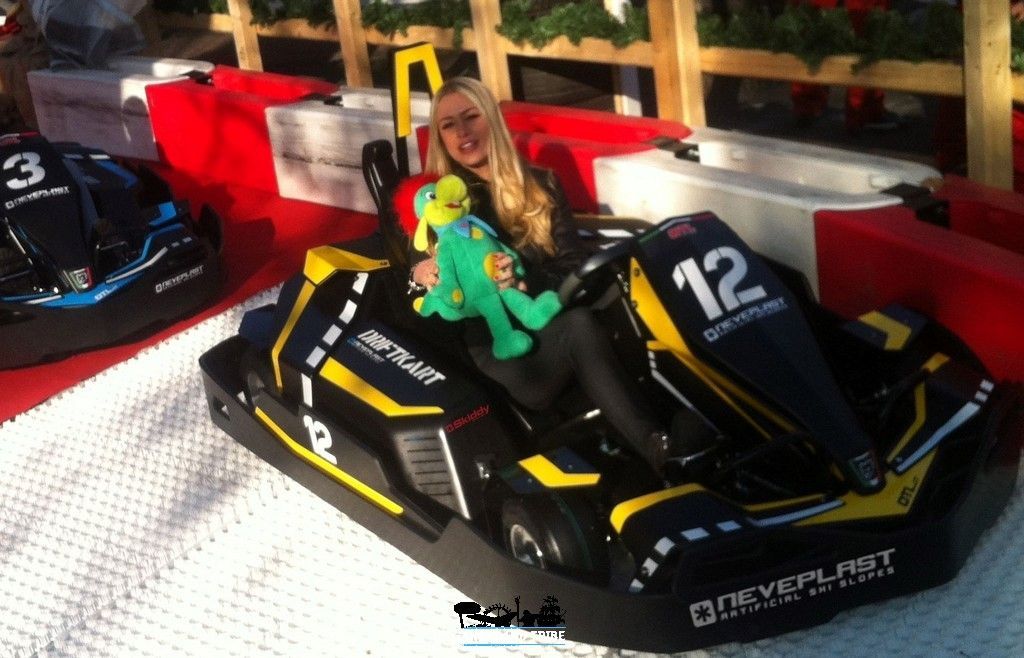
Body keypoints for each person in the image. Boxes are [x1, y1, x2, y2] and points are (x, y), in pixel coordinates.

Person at [408, 76, 705, 476]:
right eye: (448, 125)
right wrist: (421, 273)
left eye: (471, 117)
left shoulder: (542, 184)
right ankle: (657, 449)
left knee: (632, 299)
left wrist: (524, 283)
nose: (462, 131)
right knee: (580, 326)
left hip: (546, 317)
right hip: (503, 354)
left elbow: (571, 262)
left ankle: (700, 415)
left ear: (491, 119)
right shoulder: (437, 210)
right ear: (441, 138)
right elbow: (424, 292)